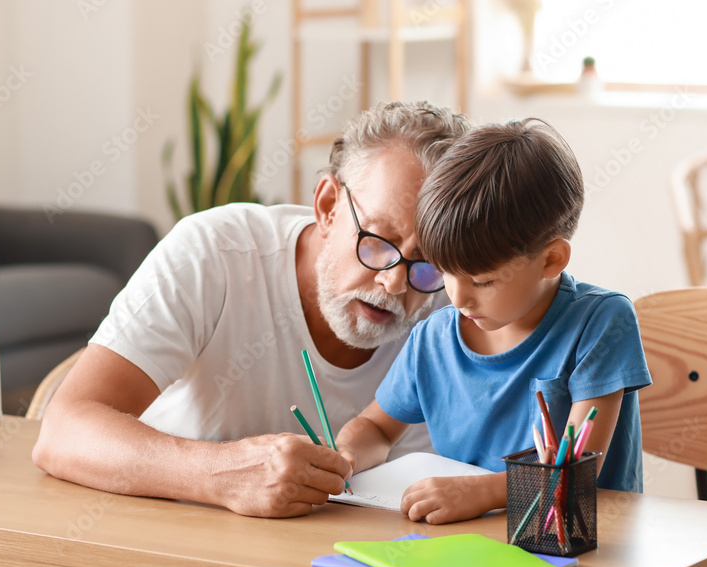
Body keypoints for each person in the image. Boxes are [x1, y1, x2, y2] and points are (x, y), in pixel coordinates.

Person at [31, 101, 471, 518]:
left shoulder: (465, 301)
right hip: (180, 546)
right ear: (328, 207)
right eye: (376, 241)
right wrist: (222, 473)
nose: (394, 283)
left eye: (429, 260)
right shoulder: (214, 254)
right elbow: (63, 431)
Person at [334, 118, 652, 525]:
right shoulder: (434, 337)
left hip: (580, 546)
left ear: (552, 259)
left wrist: (482, 493)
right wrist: (345, 456)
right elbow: (376, 429)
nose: (458, 297)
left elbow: (574, 471)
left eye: (482, 281)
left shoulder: (601, 322)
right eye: (445, 272)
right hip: (463, 544)